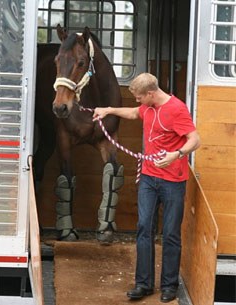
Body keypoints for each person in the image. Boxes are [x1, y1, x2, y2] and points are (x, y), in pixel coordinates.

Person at [92, 73, 200, 303]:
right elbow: (133, 113)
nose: (138, 101)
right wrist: (107, 110)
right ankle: (144, 284)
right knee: (143, 228)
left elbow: (195, 139)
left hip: (173, 180)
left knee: (170, 233)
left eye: (140, 97)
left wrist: (177, 154)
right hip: (150, 178)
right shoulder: (148, 108)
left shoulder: (177, 110)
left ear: (151, 93)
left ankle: (169, 285)